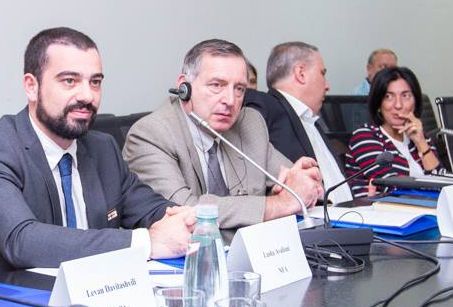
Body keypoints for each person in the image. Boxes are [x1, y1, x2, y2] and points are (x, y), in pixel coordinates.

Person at [0, 27, 195, 277]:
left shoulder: (103, 148)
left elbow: (150, 208)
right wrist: (147, 242)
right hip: (6, 296)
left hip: (93, 291)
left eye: (95, 82)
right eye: (69, 81)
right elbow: (22, 241)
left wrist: (183, 220)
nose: (87, 95)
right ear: (31, 86)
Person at [123, 39, 324, 240]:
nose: (230, 100)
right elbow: (186, 212)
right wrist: (279, 204)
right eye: (216, 85)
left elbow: (298, 187)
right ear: (184, 87)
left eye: (239, 89)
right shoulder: (151, 134)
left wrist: (302, 182)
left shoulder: (249, 123)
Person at [245, 41, 354, 203]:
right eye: (322, 73)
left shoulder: (313, 121)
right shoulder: (263, 105)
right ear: (300, 73)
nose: (327, 85)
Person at [343, 66, 440, 196]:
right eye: (388, 96)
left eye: (405, 96)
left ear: (415, 102)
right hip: (379, 208)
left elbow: (443, 184)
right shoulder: (364, 136)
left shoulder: (422, 137)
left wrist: (421, 142)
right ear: (378, 104)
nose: (398, 105)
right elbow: (393, 188)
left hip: (425, 207)